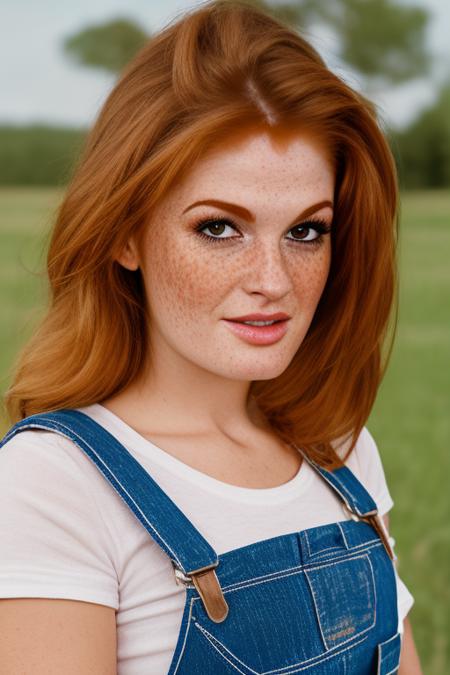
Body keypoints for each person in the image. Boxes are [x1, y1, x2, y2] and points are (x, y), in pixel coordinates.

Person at [0, 0, 422, 673]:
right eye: (219, 228)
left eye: (305, 230)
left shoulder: (340, 451)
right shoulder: (53, 484)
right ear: (126, 234)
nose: (273, 280)